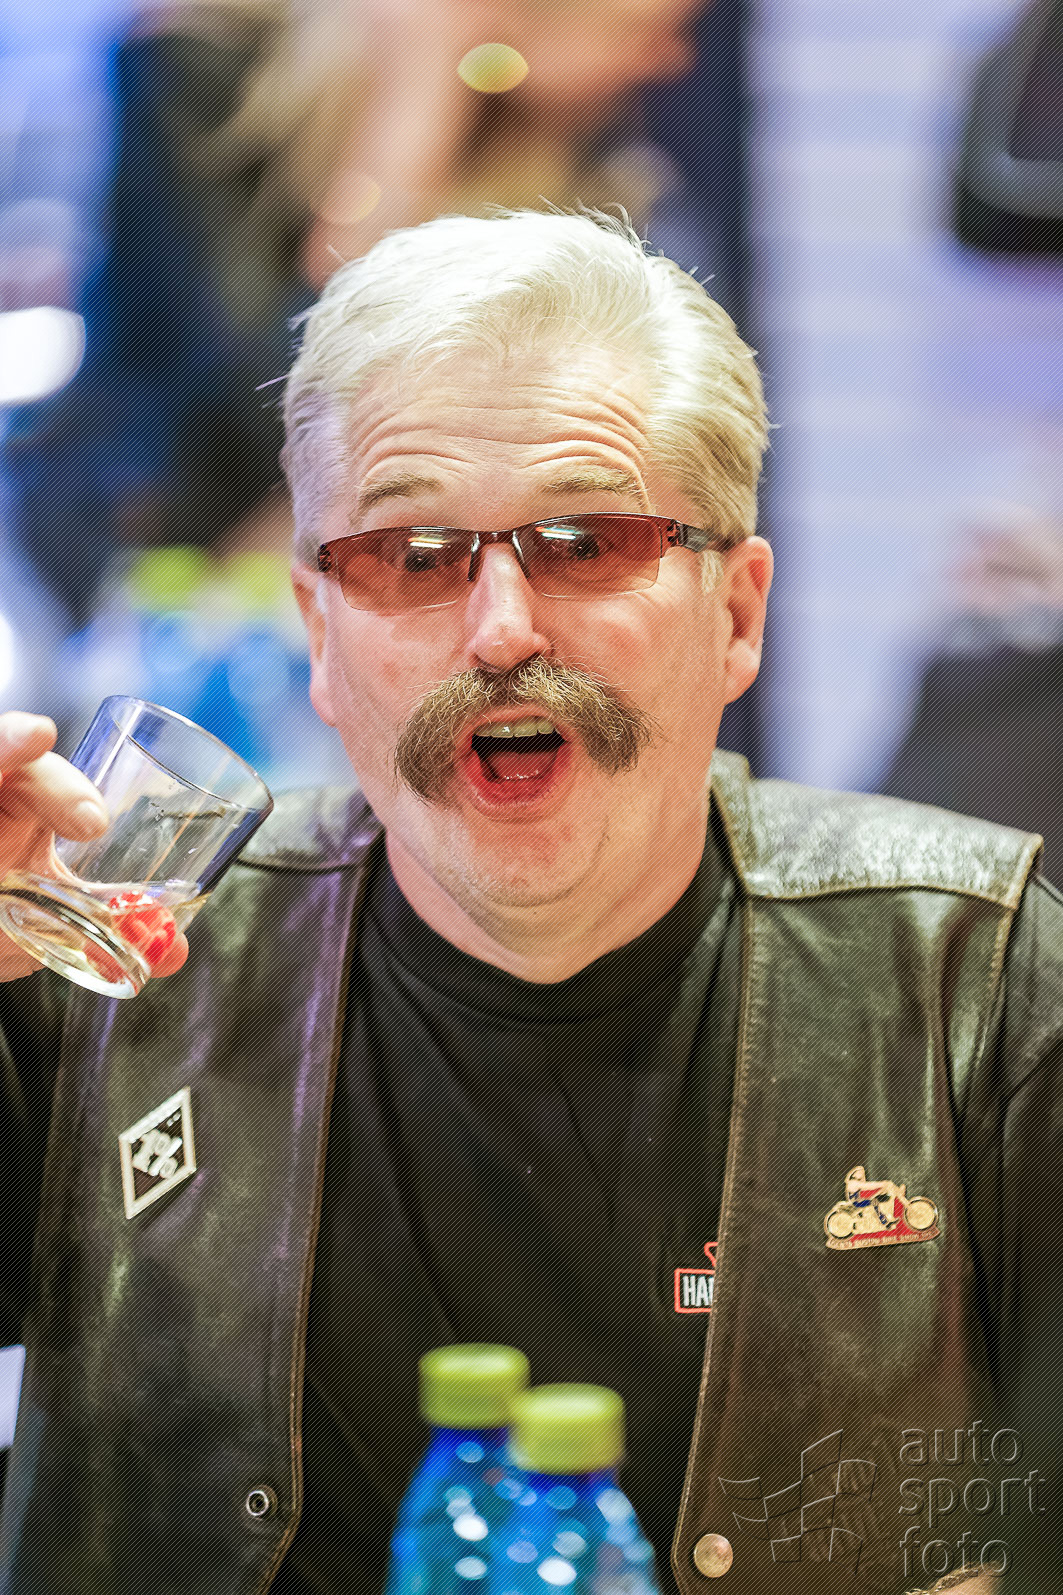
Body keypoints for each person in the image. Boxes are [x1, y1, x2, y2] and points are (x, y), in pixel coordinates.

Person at [0, 210, 1059, 1595]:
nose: (501, 629)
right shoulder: (109, 958)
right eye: (411, 555)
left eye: (584, 540)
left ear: (738, 615)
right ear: (320, 635)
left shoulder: (974, 979)